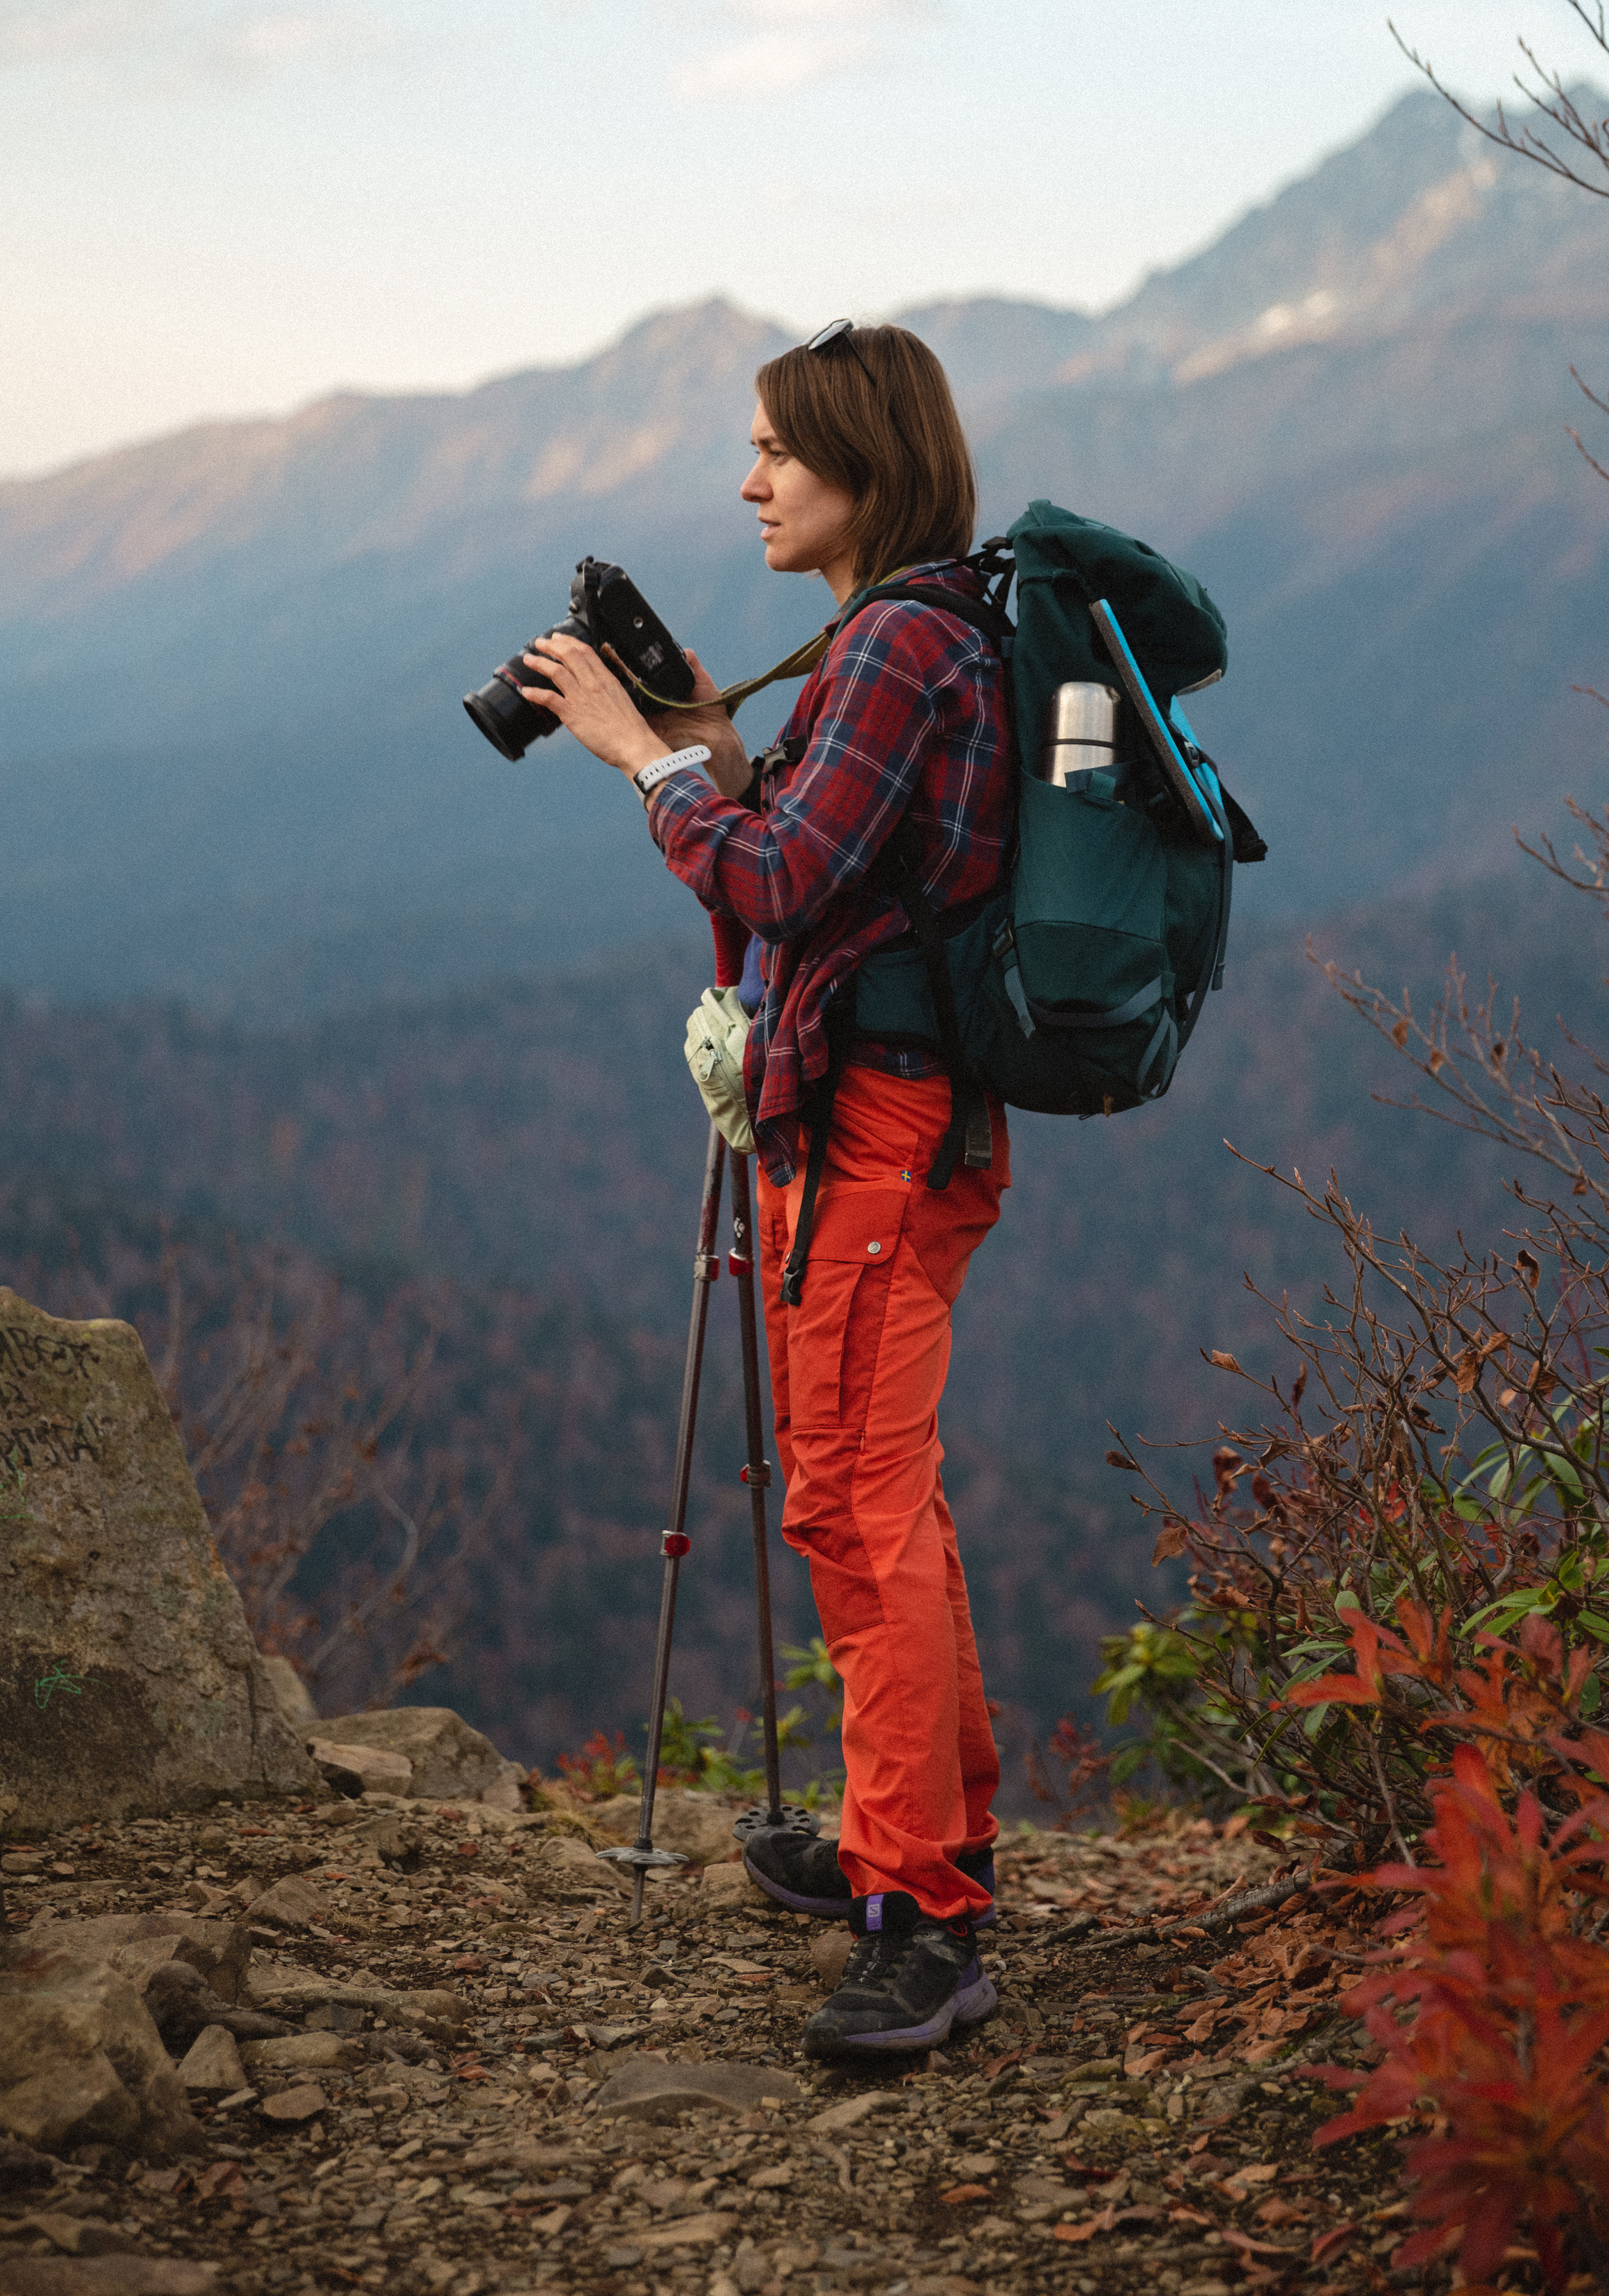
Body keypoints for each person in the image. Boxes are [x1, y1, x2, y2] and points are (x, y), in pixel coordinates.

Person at [518, 321, 1016, 2061]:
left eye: (773, 456)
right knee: (892, 1502)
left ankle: (924, 1922)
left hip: (876, 1137)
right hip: (886, 1126)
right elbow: (810, 845)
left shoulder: (895, 643)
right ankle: (923, 1836)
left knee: (855, 1514)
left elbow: (789, 884)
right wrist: (713, 752)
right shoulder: (913, 635)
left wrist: (643, 768)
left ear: (859, 463)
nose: (748, 484)